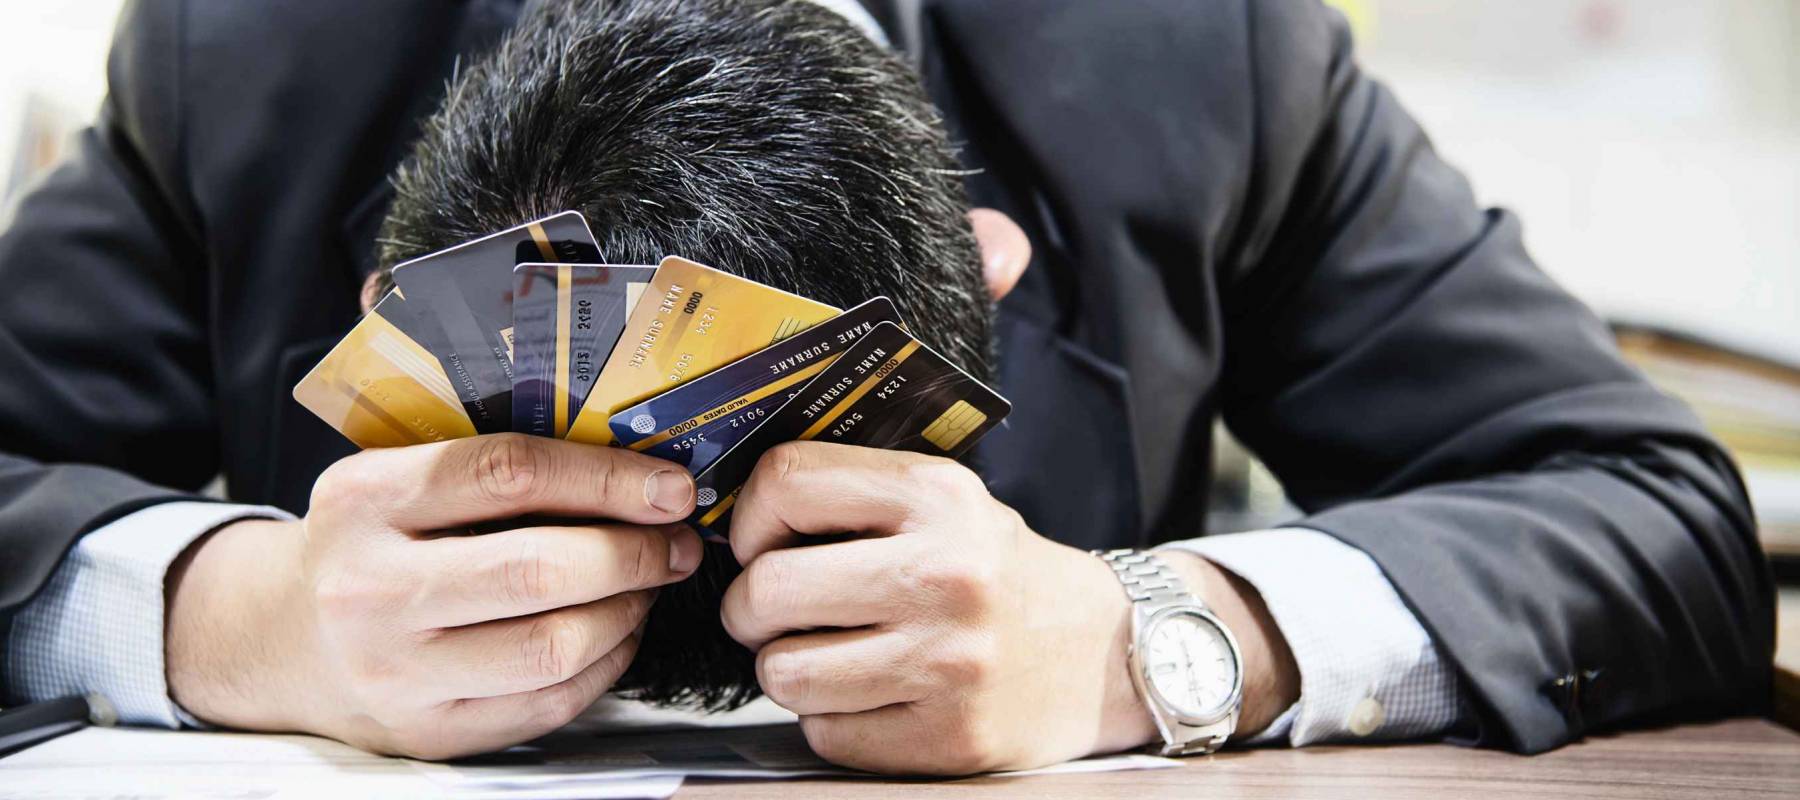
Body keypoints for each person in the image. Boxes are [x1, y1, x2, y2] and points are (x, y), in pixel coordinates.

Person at [0, 0, 1772, 774]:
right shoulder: (248, 47)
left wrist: (1149, 636)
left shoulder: (1198, 50)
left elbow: (1646, 510)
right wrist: (236, 617)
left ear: (988, 270)